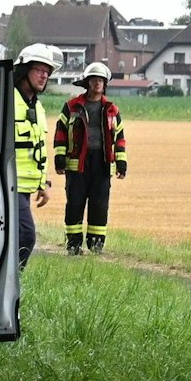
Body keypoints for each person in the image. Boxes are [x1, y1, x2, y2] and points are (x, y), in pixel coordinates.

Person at [0, 44, 57, 268]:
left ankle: (5, 283)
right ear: (24, 70)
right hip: (6, 184)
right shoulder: (1, 100)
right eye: (39, 69)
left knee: (12, 237)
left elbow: (38, 148)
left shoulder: (37, 107)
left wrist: (45, 182)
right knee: (25, 235)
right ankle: (11, 281)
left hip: (24, 187)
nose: (44, 75)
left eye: (47, 72)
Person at [53, 62, 128, 255]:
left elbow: (119, 138)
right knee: (75, 203)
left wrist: (121, 162)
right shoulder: (72, 106)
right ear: (87, 82)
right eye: (94, 80)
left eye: (101, 80)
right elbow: (60, 132)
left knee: (99, 205)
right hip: (77, 163)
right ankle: (73, 245)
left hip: (102, 164)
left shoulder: (112, 110)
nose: (97, 83)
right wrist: (59, 158)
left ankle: (96, 245)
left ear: (105, 84)